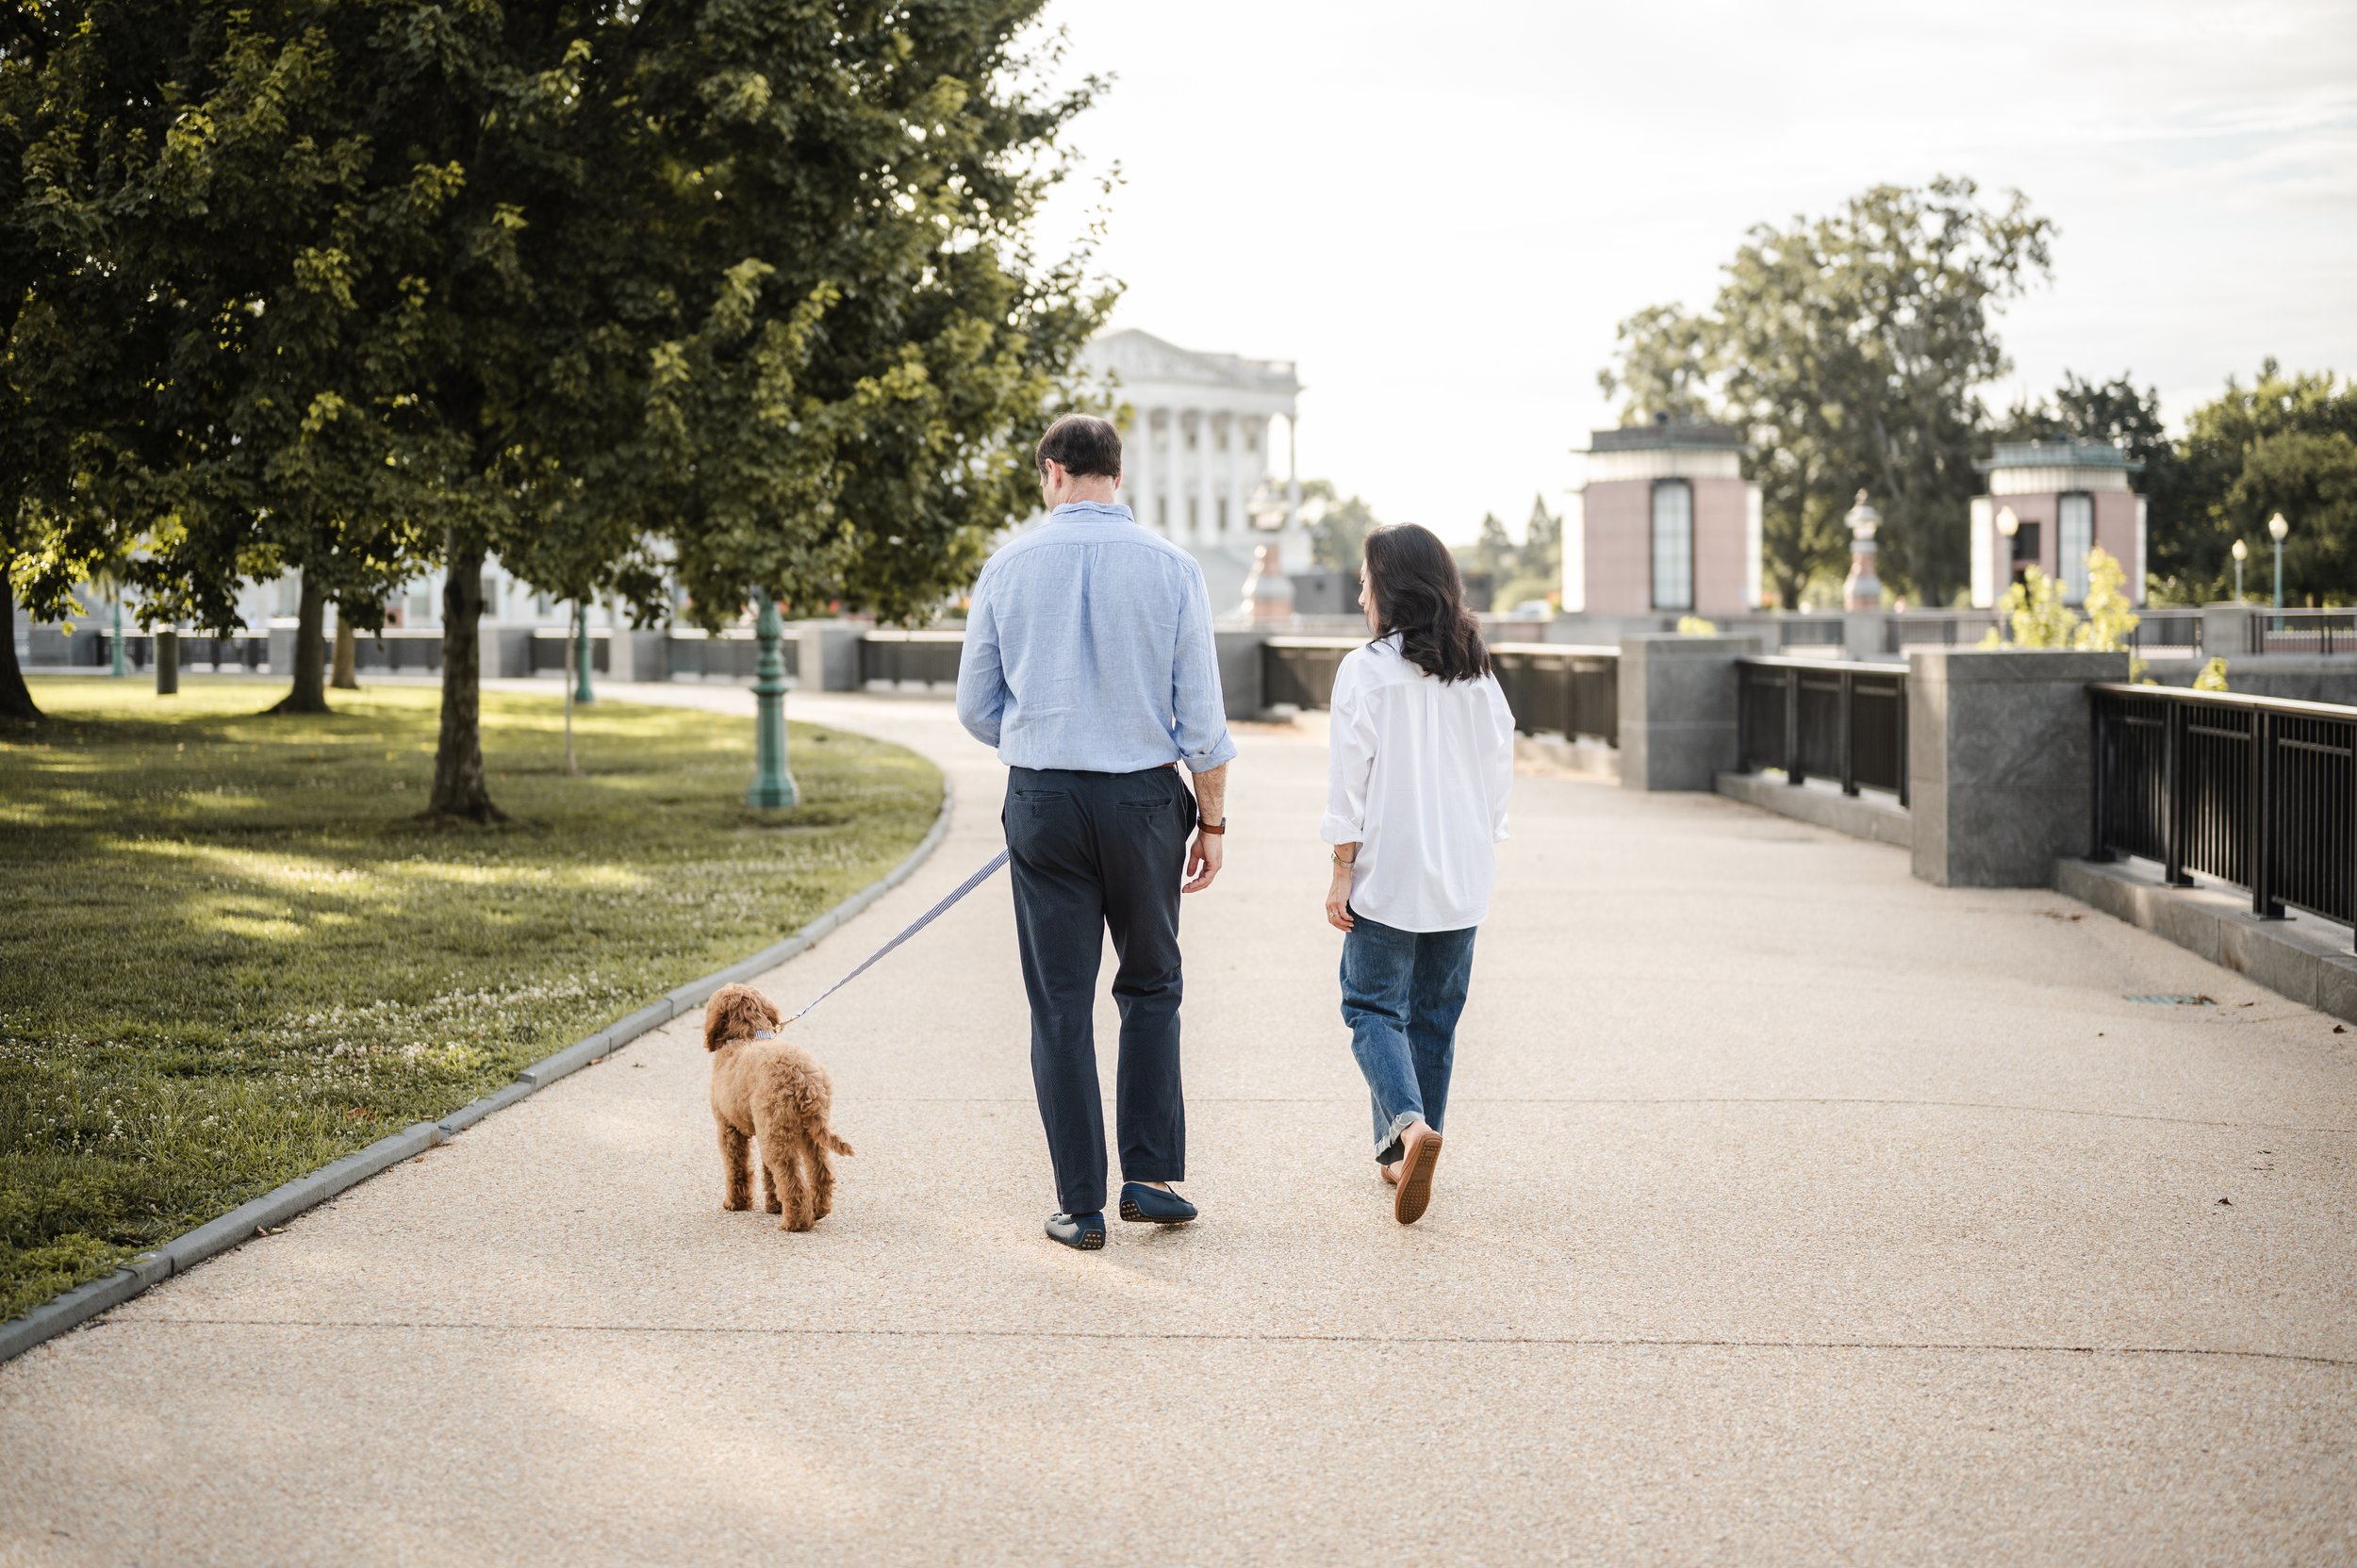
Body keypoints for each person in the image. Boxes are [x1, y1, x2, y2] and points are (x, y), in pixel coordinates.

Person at [956, 413, 1234, 1251]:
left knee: (1060, 1004)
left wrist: (1041, 741)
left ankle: (1078, 1206)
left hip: (1044, 800)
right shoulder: (1174, 568)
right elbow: (1206, 723)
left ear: (1051, 472)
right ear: (1118, 473)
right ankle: (1148, 1178)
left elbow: (975, 705)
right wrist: (1212, 821)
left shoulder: (1006, 566)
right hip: (1147, 801)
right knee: (1151, 984)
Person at [1320, 522, 1514, 1225]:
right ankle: (1403, 1154)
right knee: (1433, 1015)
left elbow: (1350, 785)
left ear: (1392, 586)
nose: (1363, 590)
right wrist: (1482, 844)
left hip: (1392, 868)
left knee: (1371, 1006)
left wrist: (1341, 868)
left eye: (1368, 578)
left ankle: (1408, 1128)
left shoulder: (1366, 670)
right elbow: (1500, 774)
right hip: (1463, 870)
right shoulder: (1476, 670)